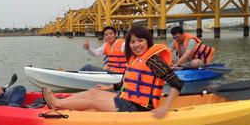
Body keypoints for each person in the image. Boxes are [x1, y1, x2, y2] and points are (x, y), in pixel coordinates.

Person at [42, 26, 183, 118]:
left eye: (140, 40)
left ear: (148, 41)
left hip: (139, 109)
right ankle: (59, 101)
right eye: (132, 42)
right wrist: (107, 88)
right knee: (93, 92)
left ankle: (56, 104)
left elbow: (177, 83)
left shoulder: (153, 60)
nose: (136, 45)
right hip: (128, 101)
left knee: (93, 101)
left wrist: (165, 107)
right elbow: (126, 83)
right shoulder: (135, 59)